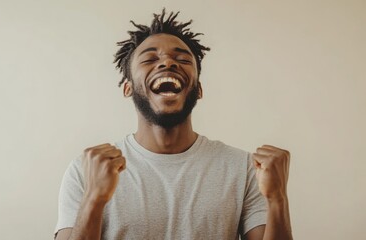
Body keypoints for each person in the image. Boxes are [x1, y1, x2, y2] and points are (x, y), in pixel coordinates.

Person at [54, 9, 293, 240]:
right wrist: (93, 199)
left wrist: (278, 199)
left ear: (198, 90)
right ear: (127, 87)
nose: (167, 62)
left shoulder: (243, 168)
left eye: (182, 58)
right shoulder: (85, 170)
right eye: (149, 58)